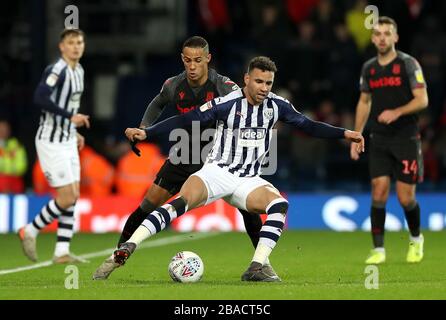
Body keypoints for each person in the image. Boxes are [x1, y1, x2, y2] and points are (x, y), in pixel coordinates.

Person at [116, 56, 364, 281]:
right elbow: (185, 119)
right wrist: (148, 131)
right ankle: (129, 245)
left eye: (268, 83)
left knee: (278, 205)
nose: (264, 88)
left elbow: (308, 126)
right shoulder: (227, 103)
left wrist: (345, 133)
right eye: (259, 81)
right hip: (216, 171)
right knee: (176, 202)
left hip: (247, 179)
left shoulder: (277, 105)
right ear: (246, 79)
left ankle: (257, 267)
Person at [93, 36, 270, 280]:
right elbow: (158, 103)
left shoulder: (223, 86)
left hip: (218, 159)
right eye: (188, 60)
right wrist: (144, 126)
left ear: (208, 59)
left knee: (247, 210)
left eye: (198, 60)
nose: (193, 66)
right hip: (185, 154)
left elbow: (246, 108)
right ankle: (117, 256)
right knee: (148, 204)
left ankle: (261, 264)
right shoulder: (174, 85)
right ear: (182, 60)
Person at [350, 17, 429, 264]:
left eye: (387, 33)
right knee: (379, 191)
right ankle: (378, 250)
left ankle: (416, 239)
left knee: (406, 197)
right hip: (380, 138)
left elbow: (422, 99)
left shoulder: (408, 63)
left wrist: (397, 111)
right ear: (373, 39)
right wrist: (356, 134)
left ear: (395, 37)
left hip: (406, 137)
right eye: (378, 34)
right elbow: (364, 102)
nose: (382, 37)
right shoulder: (369, 68)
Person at [18, 28, 90, 264]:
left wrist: (73, 130)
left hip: (67, 139)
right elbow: (40, 97)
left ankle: (61, 252)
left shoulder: (78, 70)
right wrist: (70, 118)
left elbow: (68, 103)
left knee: (74, 195)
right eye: (71, 43)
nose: (76, 46)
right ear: (62, 47)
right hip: (51, 141)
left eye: (79, 42)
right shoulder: (56, 70)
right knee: (67, 197)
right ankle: (30, 230)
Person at [0, 118, 27, 193]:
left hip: (14, 181)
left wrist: (5, 170)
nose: (2, 131)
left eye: (5, 129)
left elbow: (22, 167)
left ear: (9, 131)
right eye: (1, 128)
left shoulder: (16, 145)